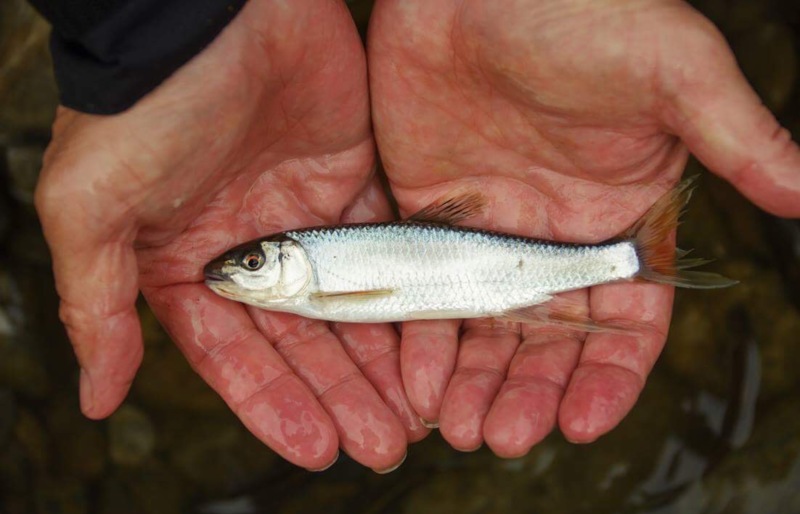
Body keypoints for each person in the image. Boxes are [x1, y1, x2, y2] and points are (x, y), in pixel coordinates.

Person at [31, 0, 800, 472]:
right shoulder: (318, 281)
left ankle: (633, 257)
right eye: (255, 260)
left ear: (291, 260)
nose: (245, 269)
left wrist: (150, 31)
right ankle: (632, 257)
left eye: (257, 260)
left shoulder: (324, 285)